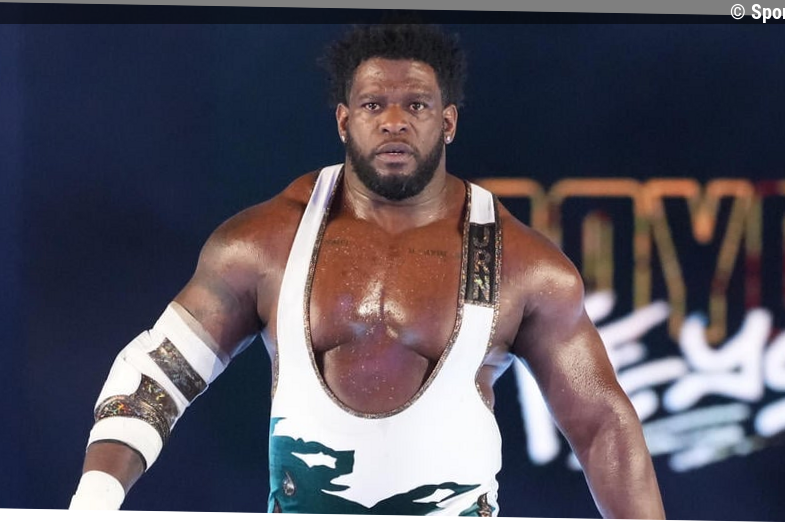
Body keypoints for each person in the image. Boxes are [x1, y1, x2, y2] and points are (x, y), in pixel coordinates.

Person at [69, 23, 666, 518]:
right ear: (343, 120)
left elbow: (603, 427)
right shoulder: (267, 244)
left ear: (448, 122)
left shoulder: (521, 266)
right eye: (374, 104)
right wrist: (94, 497)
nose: (394, 121)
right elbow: (159, 374)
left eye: (417, 105)